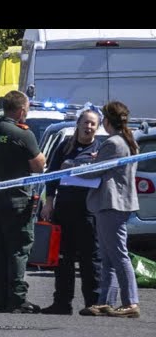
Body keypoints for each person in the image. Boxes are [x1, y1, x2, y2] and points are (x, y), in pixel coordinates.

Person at [79, 101, 141, 318]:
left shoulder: (113, 143)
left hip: (111, 204)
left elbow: (93, 173)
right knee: (108, 255)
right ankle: (105, 301)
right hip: (114, 204)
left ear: (106, 121)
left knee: (118, 254)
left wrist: (72, 168)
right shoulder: (126, 141)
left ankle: (131, 302)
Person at [40, 106, 102, 315]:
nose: (89, 127)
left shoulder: (100, 150)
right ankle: (62, 303)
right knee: (63, 258)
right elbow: (52, 176)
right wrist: (49, 203)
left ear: (97, 127)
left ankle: (93, 302)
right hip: (64, 210)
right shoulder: (65, 146)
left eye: (93, 123)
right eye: (86, 122)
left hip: (88, 212)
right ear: (78, 124)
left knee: (89, 259)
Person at [0, 90, 45, 313]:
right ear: (21, 111)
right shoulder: (23, 134)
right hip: (18, 200)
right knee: (18, 250)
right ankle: (18, 298)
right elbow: (39, 166)